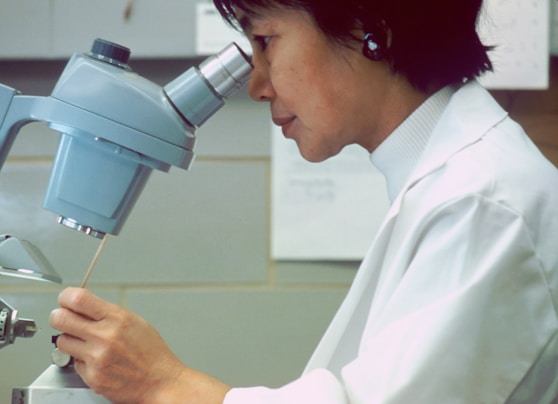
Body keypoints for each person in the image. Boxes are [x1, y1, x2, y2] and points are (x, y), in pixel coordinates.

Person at [49, 0, 558, 402]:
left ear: (370, 26)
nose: (256, 85)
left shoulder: (481, 202)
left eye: (266, 41)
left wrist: (162, 383)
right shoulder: (443, 180)